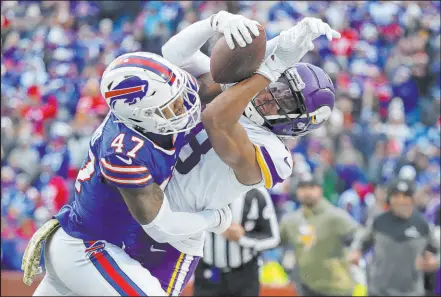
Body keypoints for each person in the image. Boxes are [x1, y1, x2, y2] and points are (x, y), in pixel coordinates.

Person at [24, 11, 339, 296]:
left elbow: (217, 119)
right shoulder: (235, 90)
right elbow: (174, 56)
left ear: (296, 123)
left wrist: (269, 66)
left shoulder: (274, 154)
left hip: (174, 237)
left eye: (284, 100)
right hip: (139, 214)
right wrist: (217, 23)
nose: (269, 95)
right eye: (277, 85)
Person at [348, 178, 441, 296]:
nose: (400, 201)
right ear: (389, 199)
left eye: (405, 196)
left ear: (412, 199)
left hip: (411, 292)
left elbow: (437, 250)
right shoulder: (378, 221)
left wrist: (435, 262)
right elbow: (361, 241)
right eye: (396, 196)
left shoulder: (423, 225)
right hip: (379, 291)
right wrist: (356, 252)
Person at [280, 174, 361, 296]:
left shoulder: (334, 216)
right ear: (296, 191)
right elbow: (274, 240)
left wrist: (356, 251)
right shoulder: (291, 220)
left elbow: (360, 234)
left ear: (320, 190)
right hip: (306, 286)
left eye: (311, 187)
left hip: (335, 287)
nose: (307, 192)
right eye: (302, 187)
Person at [193, 188, 280, 296]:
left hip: (244, 273)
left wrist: (242, 238)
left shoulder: (257, 192)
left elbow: (273, 238)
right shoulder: (201, 187)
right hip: (207, 271)